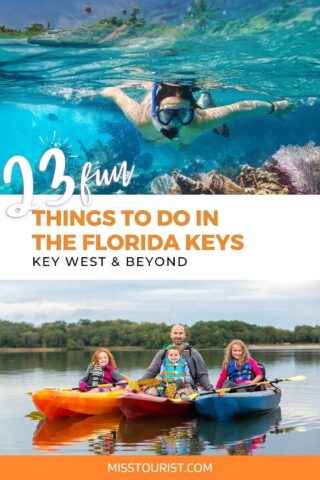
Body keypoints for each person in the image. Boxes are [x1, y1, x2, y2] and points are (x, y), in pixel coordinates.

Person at [100, 81, 293, 146]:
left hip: (189, 126)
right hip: (157, 132)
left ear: (192, 112)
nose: (173, 123)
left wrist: (275, 107)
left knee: (181, 145)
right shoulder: (141, 118)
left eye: (183, 115)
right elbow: (115, 92)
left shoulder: (200, 121)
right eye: (167, 114)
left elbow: (243, 107)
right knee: (157, 142)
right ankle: (202, 101)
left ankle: (202, 101)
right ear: (156, 111)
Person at [139, 324, 213, 391]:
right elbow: (151, 372)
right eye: (175, 333)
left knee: (180, 395)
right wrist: (138, 384)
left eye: (180, 333)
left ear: (184, 335)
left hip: (186, 386)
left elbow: (202, 375)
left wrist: (209, 388)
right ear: (171, 335)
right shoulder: (162, 353)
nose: (178, 336)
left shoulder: (193, 353)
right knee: (152, 391)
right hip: (165, 385)